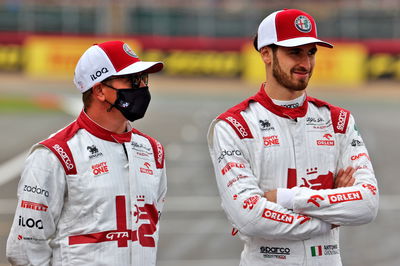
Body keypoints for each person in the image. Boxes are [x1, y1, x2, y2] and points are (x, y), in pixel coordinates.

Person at [207, 9, 379, 266]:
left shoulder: (338, 121)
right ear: (266, 53)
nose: (306, 63)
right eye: (294, 52)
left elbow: (367, 204)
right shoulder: (234, 125)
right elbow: (249, 216)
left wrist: (285, 199)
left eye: (311, 52)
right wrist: (331, 215)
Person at [7, 40, 167, 265]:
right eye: (131, 80)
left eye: (143, 79)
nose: (141, 87)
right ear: (100, 90)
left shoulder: (152, 151)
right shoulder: (54, 154)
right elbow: (24, 249)